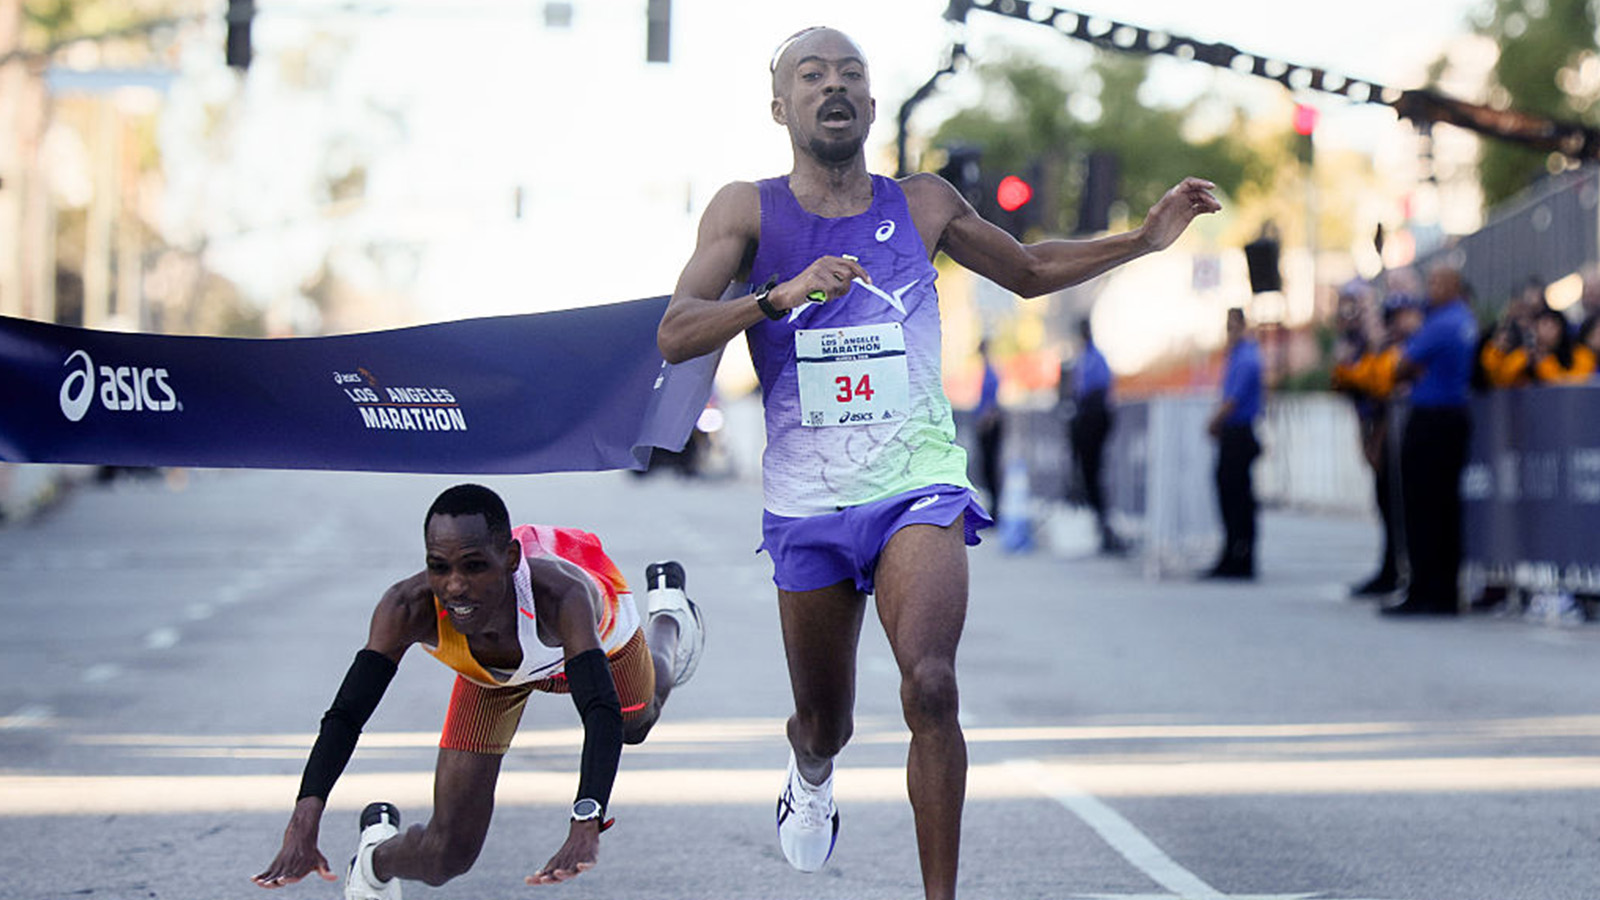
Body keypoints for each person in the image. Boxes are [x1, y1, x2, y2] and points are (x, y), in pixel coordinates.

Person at [655, 25, 1218, 900]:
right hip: (808, 503)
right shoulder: (747, 211)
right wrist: (777, 296)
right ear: (780, 106)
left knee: (931, 684)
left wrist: (1141, 242)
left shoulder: (920, 203)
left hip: (916, 483)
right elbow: (676, 327)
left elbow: (1028, 270)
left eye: (851, 74)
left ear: (872, 105)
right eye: (811, 75)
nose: (833, 86)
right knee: (825, 720)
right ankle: (810, 772)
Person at [251, 484, 704, 897]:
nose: (455, 587)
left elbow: (599, 709)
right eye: (439, 568)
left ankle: (668, 616)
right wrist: (304, 819)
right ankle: (374, 859)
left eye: (473, 567)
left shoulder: (561, 596)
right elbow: (347, 715)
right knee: (450, 853)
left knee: (635, 724)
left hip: (599, 645)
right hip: (490, 679)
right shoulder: (406, 607)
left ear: (508, 560)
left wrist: (586, 820)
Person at [1382, 264, 1478, 617]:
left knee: (1424, 508)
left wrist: (1413, 365)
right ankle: (1444, 591)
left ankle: (1425, 590)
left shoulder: (1442, 323)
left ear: (1453, 285)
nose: (1431, 288)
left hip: (1433, 419)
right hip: (1452, 418)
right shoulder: (1463, 319)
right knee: (1445, 508)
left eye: (1438, 282)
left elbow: (1401, 366)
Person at [1331, 288, 1426, 597]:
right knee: (1384, 503)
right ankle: (1389, 567)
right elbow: (1347, 381)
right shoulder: (1371, 350)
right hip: (1374, 427)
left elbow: (1385, 386)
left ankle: (1401, 569)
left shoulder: (1402, 350)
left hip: (1394, 431)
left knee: (1398, 504)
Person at [1203, 307, 1264, 579]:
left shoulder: (1247, 357)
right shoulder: (1237, 356)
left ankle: (1241, 555)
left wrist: (1214, 422)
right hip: (1234, 431)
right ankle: (1233, 551)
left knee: (1238, 497)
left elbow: (1233, 399)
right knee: (1231, 495)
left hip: (1239, 432)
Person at [1068, 317, 1124, 554]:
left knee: (1093, 472)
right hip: (1085, 418)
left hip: (1093, 418)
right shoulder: (1083, 358)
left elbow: (1098, 389)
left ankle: (1104, 527)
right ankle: (1098, 526)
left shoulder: (1095, 358)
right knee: (1087, 473)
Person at [972, 339, 1003, 508]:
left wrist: (986, 421)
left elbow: (991, 403)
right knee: (987, 469)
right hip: (987, 424)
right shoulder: (987, 371)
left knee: (990, 468)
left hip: (989, 426)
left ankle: (995, 508)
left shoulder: (990, 372)